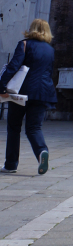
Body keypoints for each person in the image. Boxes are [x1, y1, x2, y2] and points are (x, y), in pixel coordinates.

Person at [0, 19, 57, 175]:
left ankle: (11, 164)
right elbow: (49, 71)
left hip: (22, 92)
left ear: (32, 29)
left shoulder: (24, 44)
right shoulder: (50, 50)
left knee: (14, 127)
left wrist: (2, 86)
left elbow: (13, 67)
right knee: (34, 128)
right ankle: (41, 151)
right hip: (43, 92)